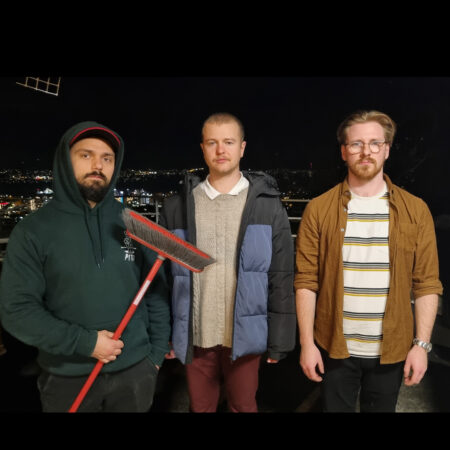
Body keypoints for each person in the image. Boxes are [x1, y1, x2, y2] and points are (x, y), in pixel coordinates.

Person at [0, 121, 171, 412]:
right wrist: (85, 343)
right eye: (85, 155)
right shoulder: (33, 230)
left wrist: (153, 358)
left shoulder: (135, 223)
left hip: (135, 373)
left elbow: (155, 293)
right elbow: (16, 311)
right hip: (67, 376)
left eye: (107, 158)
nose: (98, 165)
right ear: (64, 161)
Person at [294, 110, 443, 412]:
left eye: (375, 143)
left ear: (387, 149)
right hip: (335, 347)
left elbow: (426, 284)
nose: (366, 151)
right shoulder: (318, 210)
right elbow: (306, 282)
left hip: (392, 349)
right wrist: (308, 344)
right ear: (343, 151)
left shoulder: (416, 210)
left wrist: (421, 345)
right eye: (356, 144)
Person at [160, 112, 296, 412]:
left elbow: (282, 276)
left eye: (229, 142)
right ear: (203, 148)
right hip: (197, 334)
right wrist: (167, 335)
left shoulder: (267, 207)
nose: (221, 150)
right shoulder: (178, 207)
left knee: (243, 406)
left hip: (246, 335)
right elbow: (166, 279)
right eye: (212, 142)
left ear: (242, 148)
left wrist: (281, 339)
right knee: (200, 407)